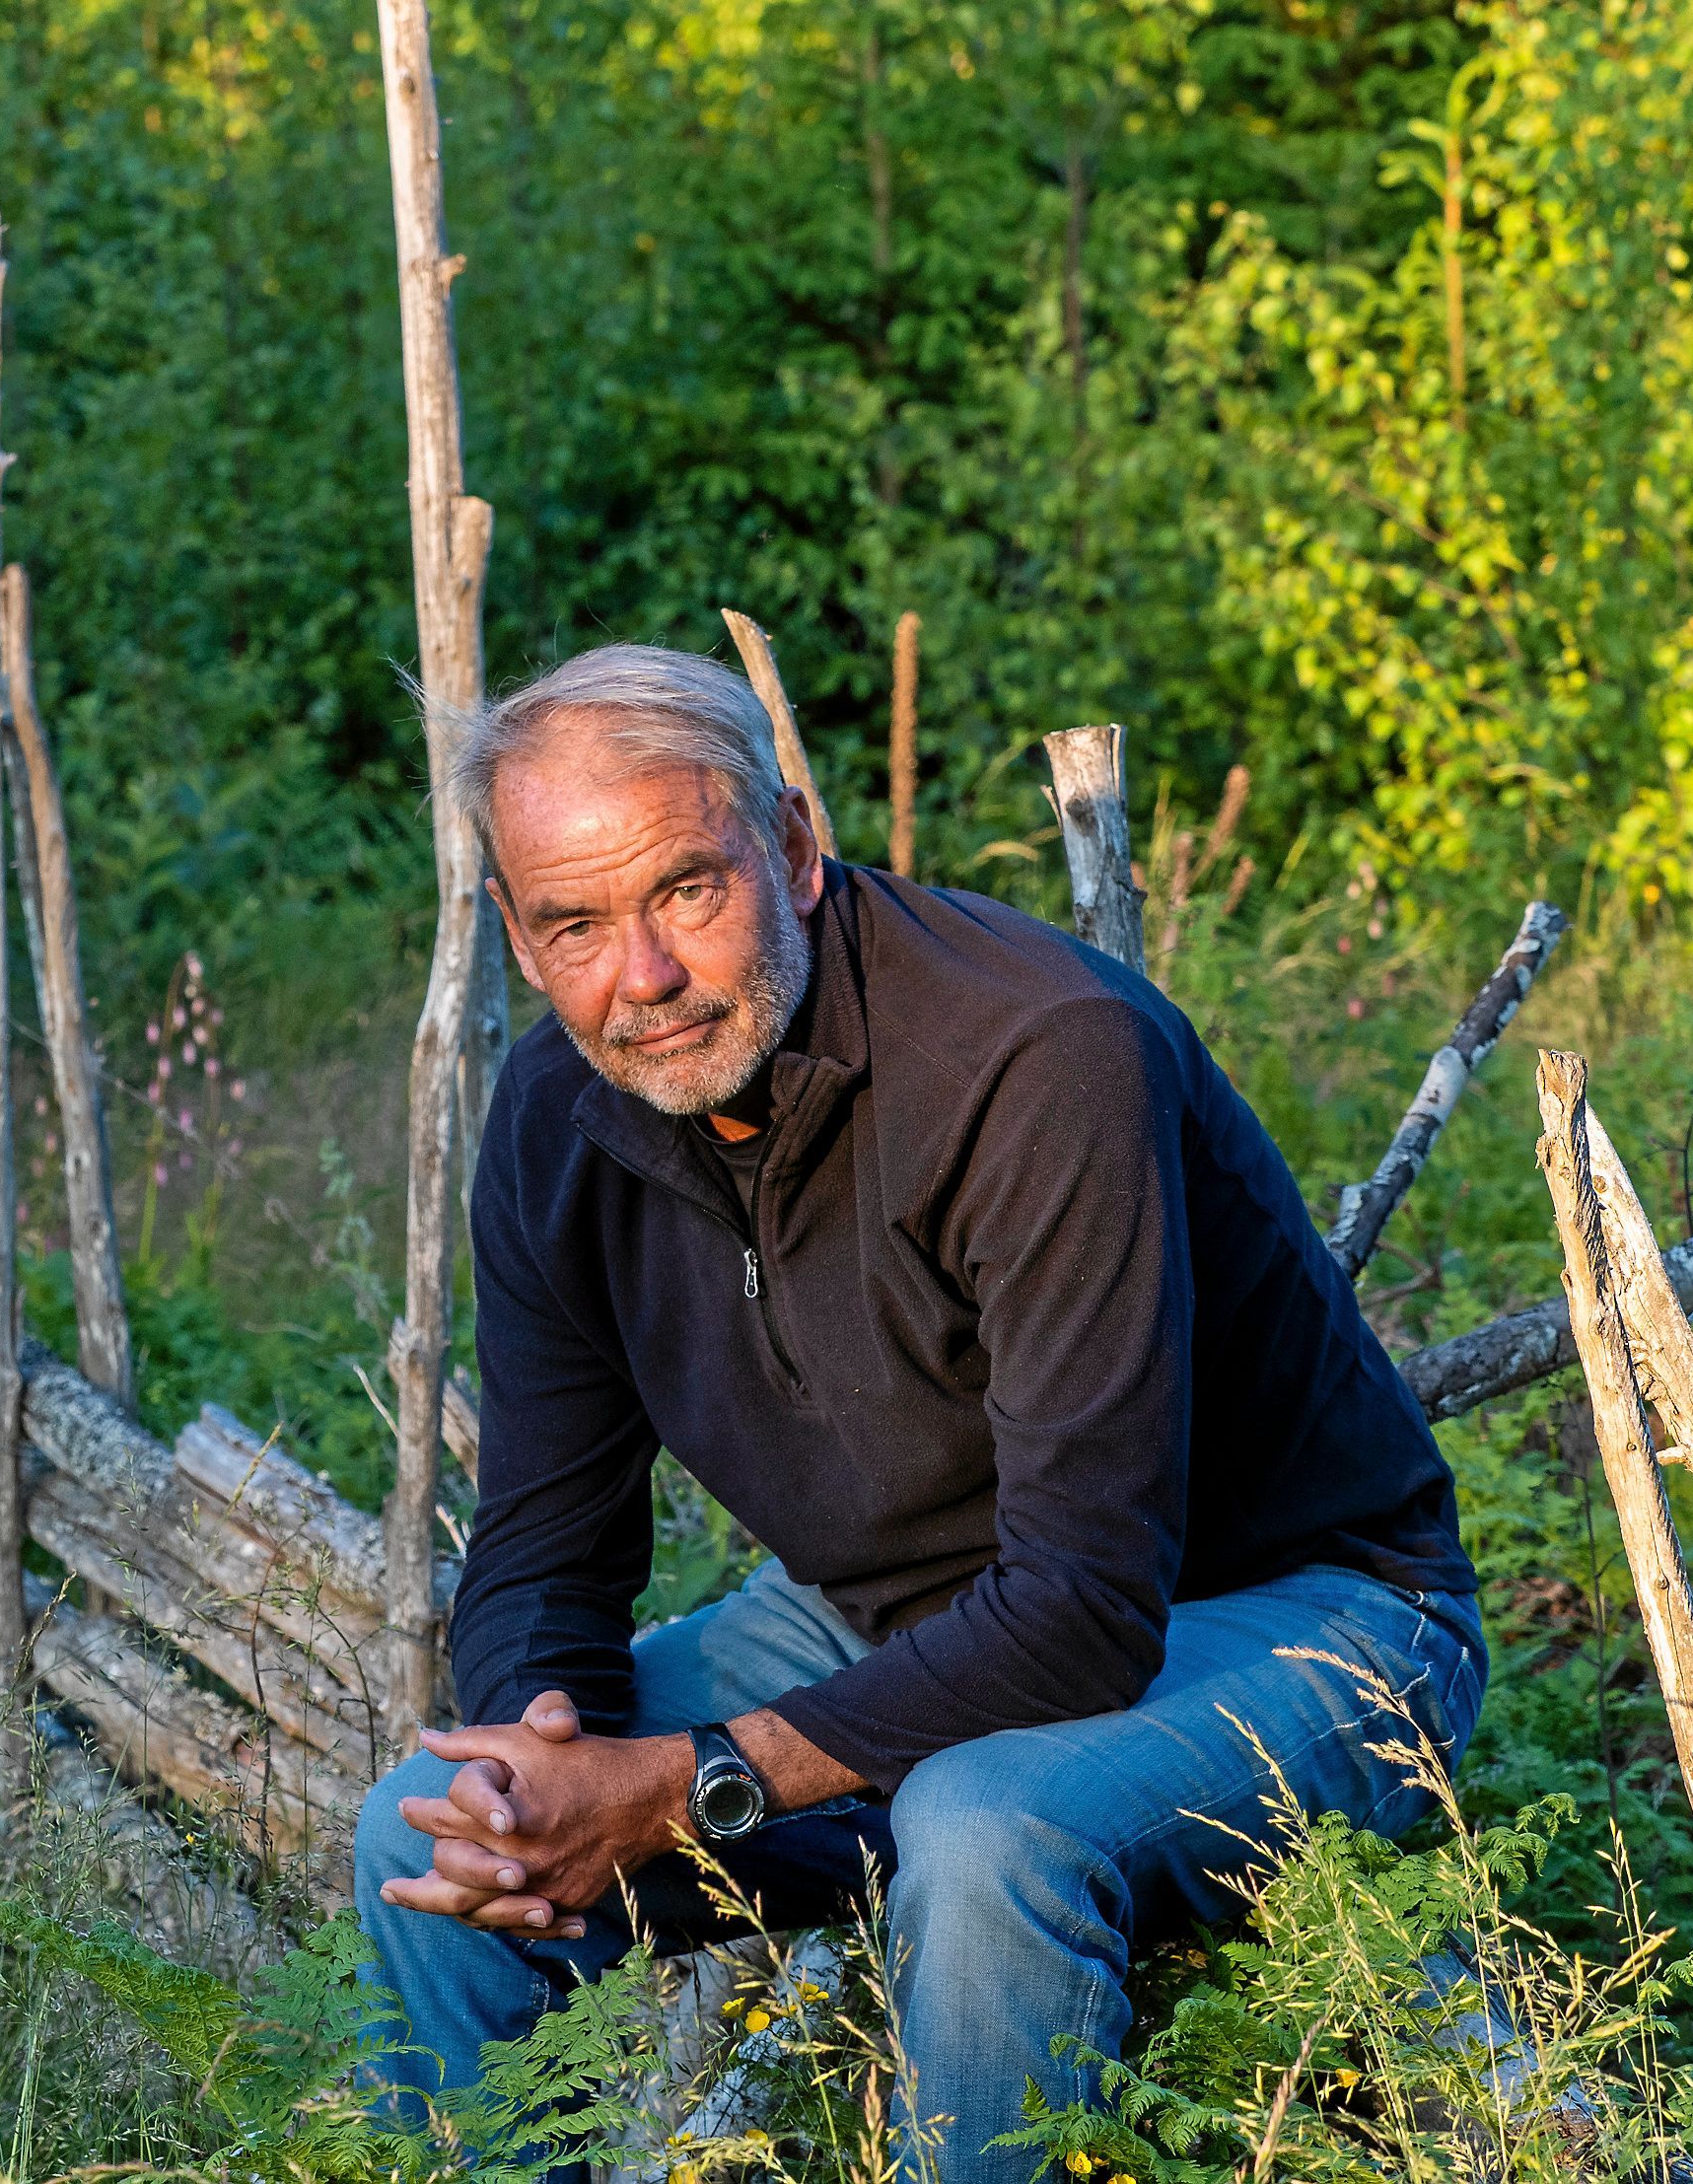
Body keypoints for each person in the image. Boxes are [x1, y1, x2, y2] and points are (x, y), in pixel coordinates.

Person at [352, 643, 1484, 2180]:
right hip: (887, 1622)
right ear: (514, 929)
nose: (642, 979)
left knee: (979, 1823)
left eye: (686, 889)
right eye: (574, 924)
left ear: (791, 848)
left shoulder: (1033, 1053)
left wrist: (685, 1786)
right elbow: (545, 1544)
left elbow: (1083, 1609)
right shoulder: (558, 1114)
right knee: (424, 1825)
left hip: (1303, 1616)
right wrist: (529, 1772)